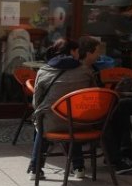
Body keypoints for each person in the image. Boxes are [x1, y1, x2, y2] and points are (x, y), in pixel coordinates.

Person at [29, 37, 101, 177]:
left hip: (52, 123)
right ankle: (79, 167)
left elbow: (36, 102)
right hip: (80, 123)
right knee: (73, 116)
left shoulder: (43, 71)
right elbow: (94, 94)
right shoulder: (85, 71)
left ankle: (35, 168)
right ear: (73, 52)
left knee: (42, 122)